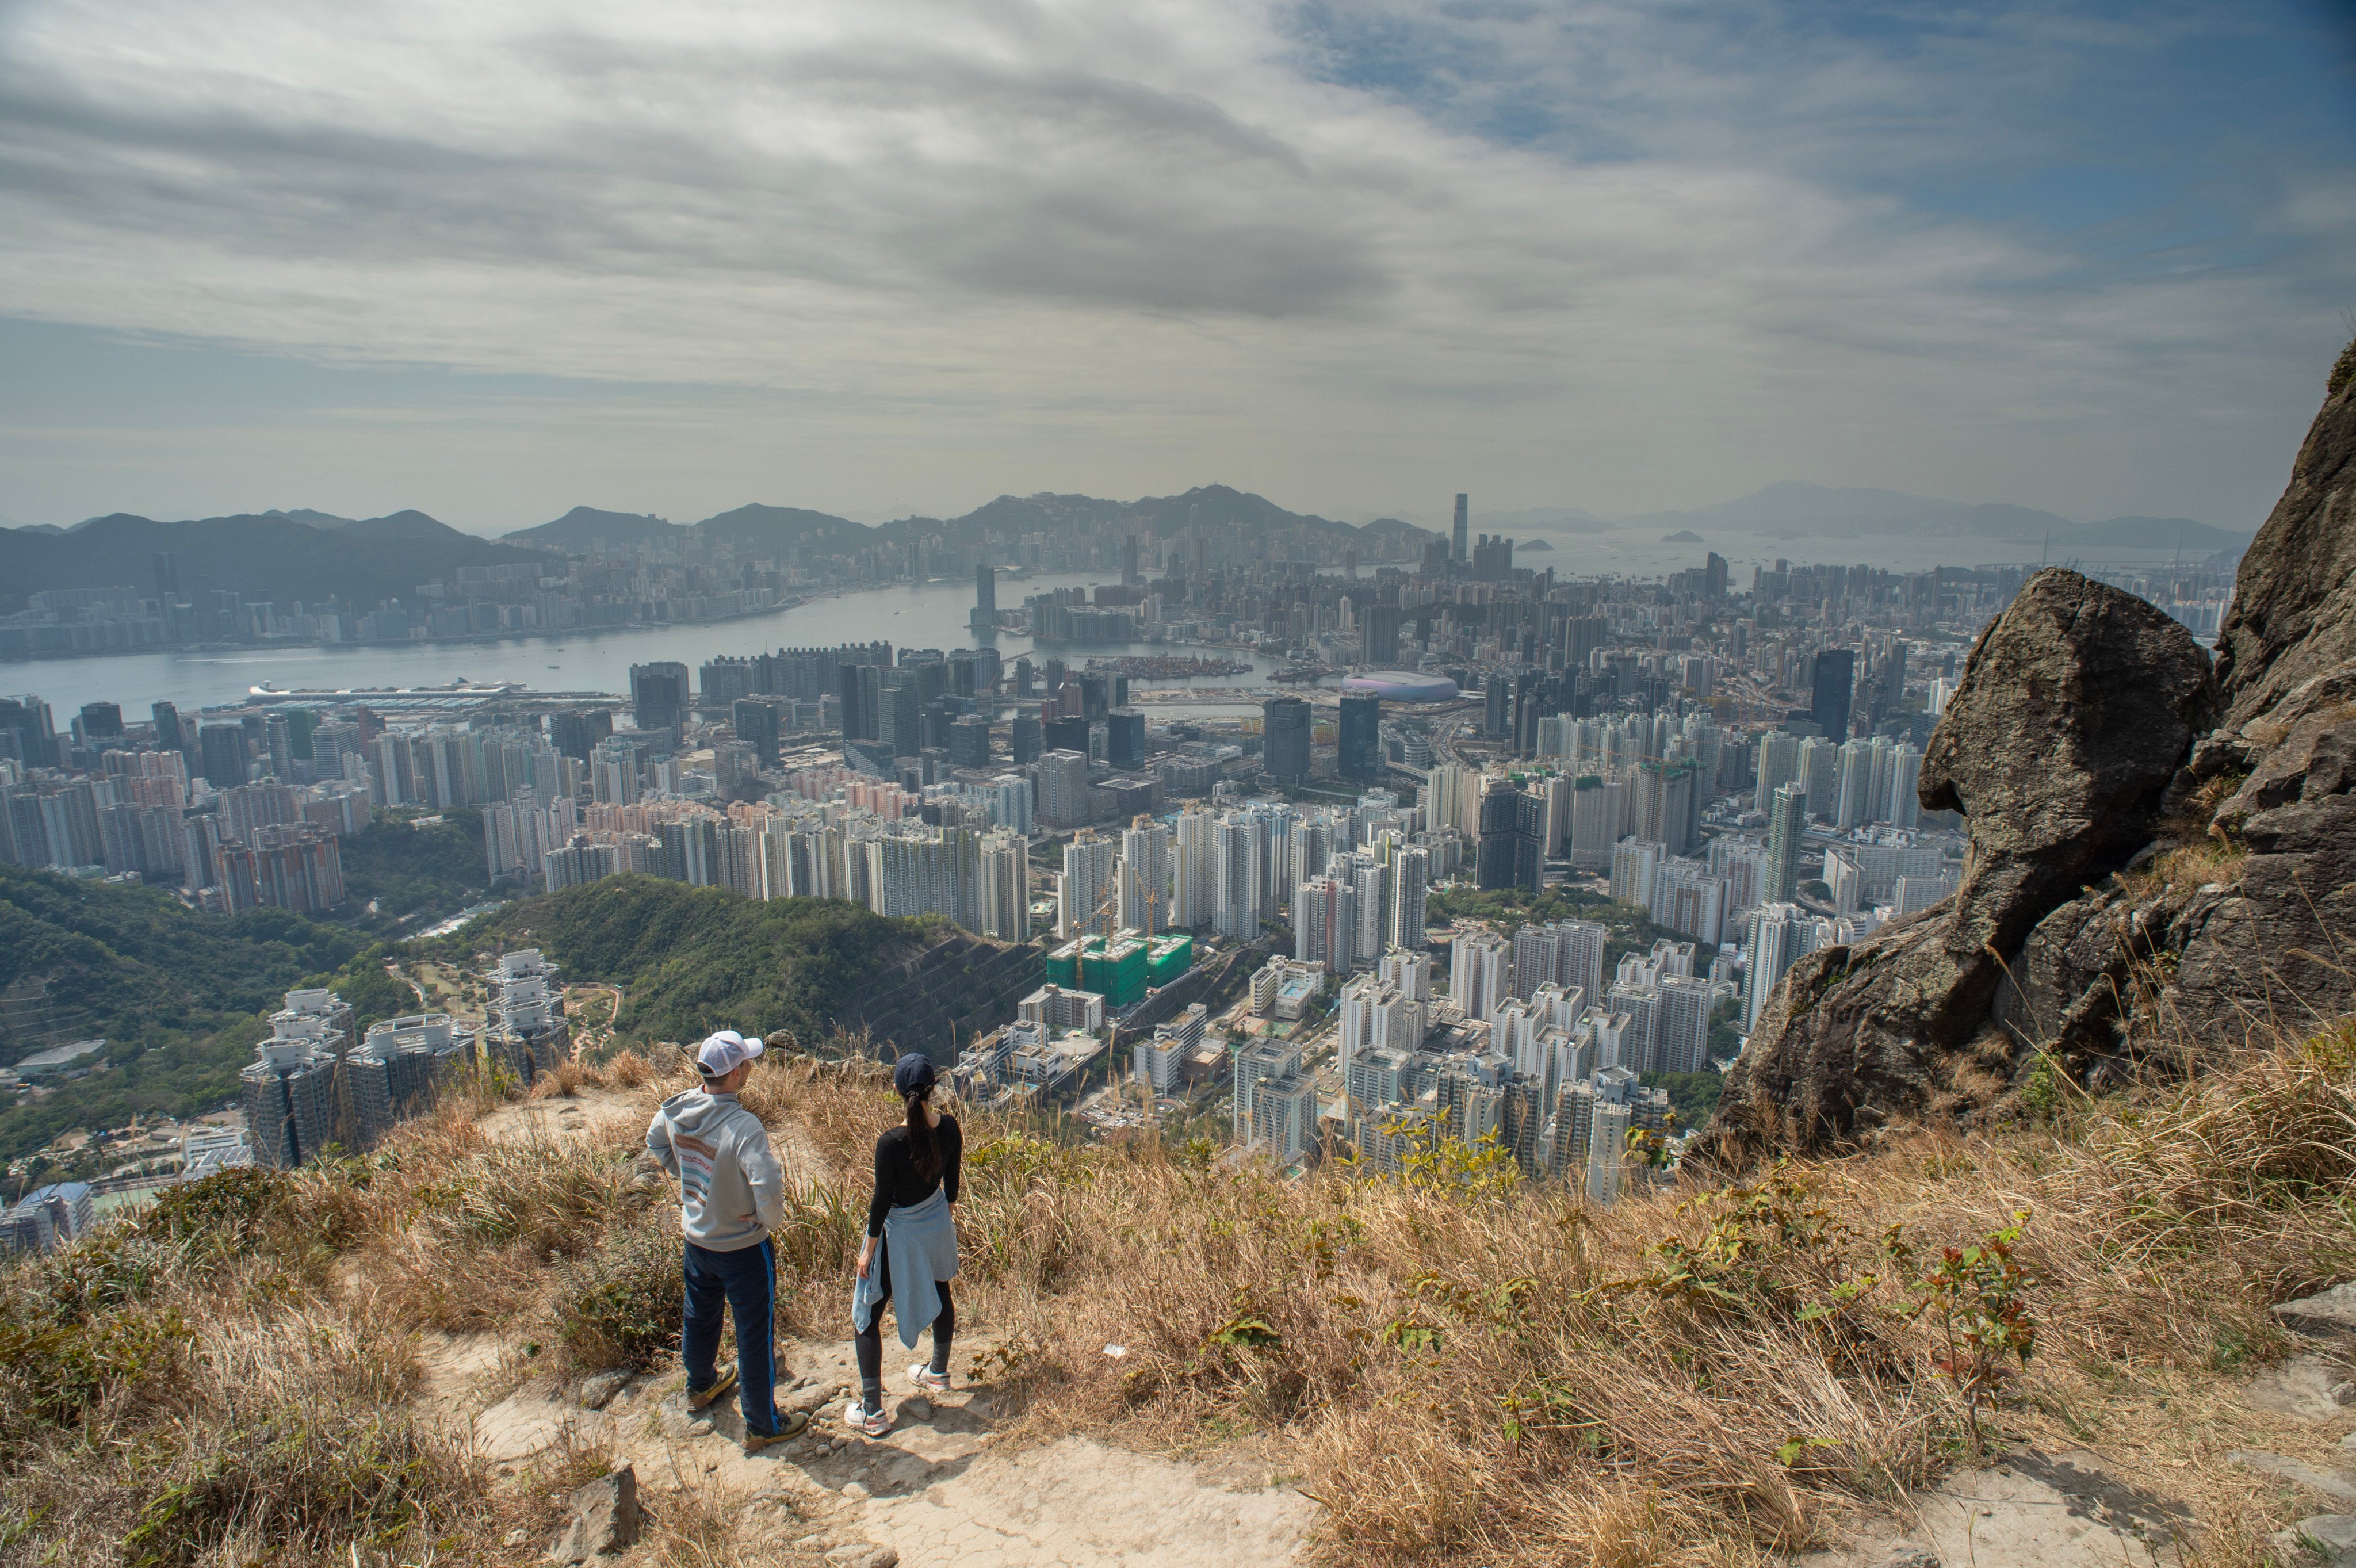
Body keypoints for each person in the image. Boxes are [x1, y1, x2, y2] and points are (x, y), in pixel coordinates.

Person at [647, 1029, 809, 1453]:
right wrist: (764, 1220)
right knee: (754, 1333)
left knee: (699, 1313)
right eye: (747, 1063)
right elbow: (768, 1184)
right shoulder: (743, 1126)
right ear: (736, 1074)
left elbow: (655, 1140)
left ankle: (700, 1385)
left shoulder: (678, 1109)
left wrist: (689, 1178)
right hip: (742, 1246)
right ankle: (762, 1424)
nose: (751, 1066)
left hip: (698, 1239)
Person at [846, 1053, 963, 1437]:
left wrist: (868, 1249)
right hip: (935, 1223)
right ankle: (938, 1373)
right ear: (934, 1089)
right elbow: (952, 1187)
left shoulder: (891, 1143)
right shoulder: (949, 1128)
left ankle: (873, 1410)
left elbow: (881, 1201)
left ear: (897, 1090)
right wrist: (939, 1217)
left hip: (900, 1233)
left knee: (868, 1311)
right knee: (942, 1290)